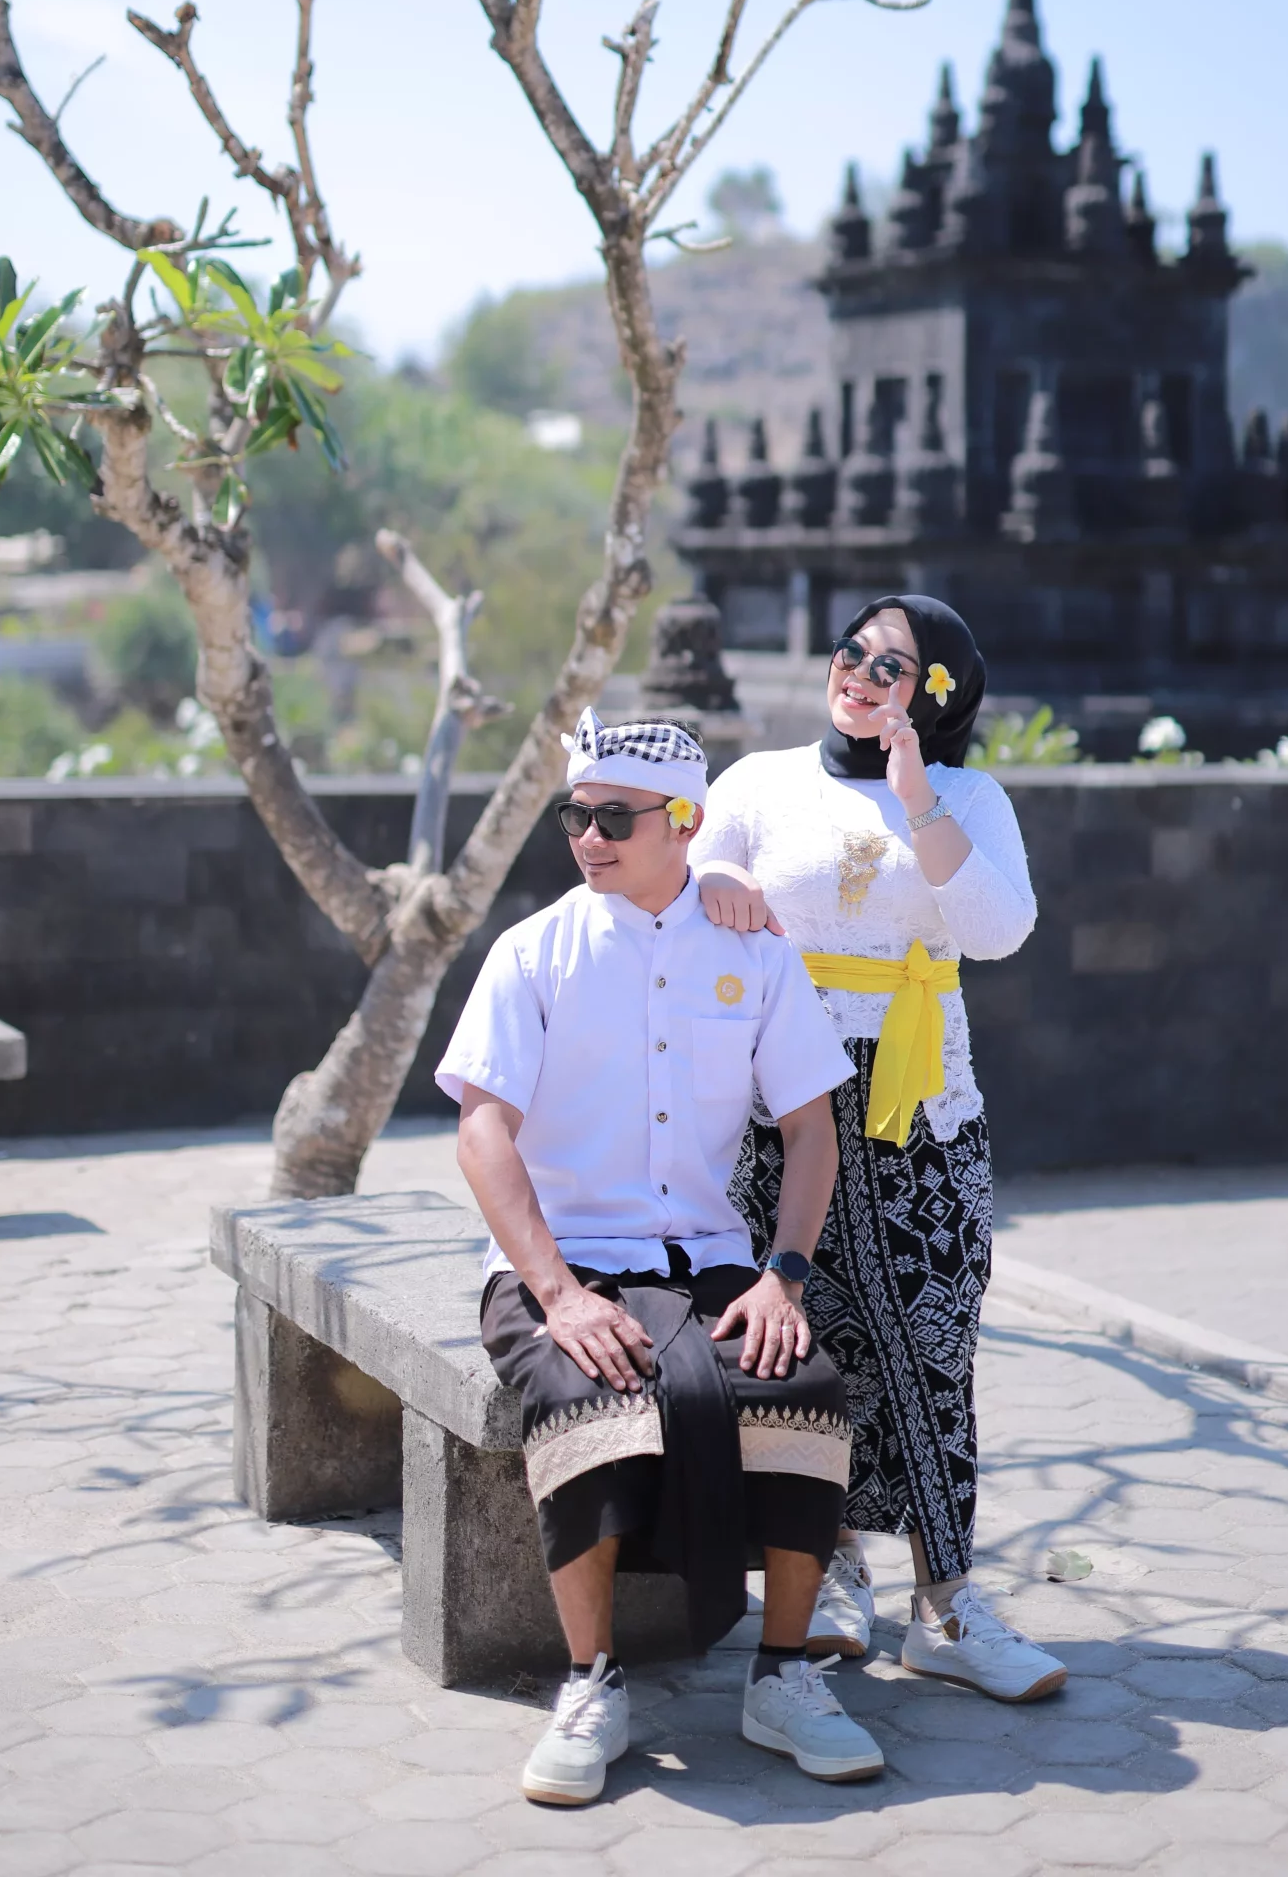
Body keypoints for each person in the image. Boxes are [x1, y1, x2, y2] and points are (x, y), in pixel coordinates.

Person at [435, 708, 886, 1807]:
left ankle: (781, 1678)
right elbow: (482, 1130)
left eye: (613, 818)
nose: (587, 837)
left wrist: (783, 1276)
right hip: (563, 1261)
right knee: (585, 1395)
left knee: (804, 1388)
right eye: (574, 816)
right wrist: (557, 1296)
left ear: (685, 821)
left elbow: (812, 1129)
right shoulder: (531, 952)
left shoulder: (754, 954)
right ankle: (591, 1683)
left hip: (711, 1260)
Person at [694, 595, 1067, 1703]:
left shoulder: (966, 796)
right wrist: (715, 883)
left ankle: (945, 1604)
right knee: (806, 1352)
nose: (859, 673)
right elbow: (686, 885)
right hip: (783, 1105)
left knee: (933, 1348)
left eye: (892, 666)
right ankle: (833, 1572)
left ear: (936, 694)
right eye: (852, 650)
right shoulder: (759, 782)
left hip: (922, 1111)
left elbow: (998, 931)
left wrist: (916, 799)